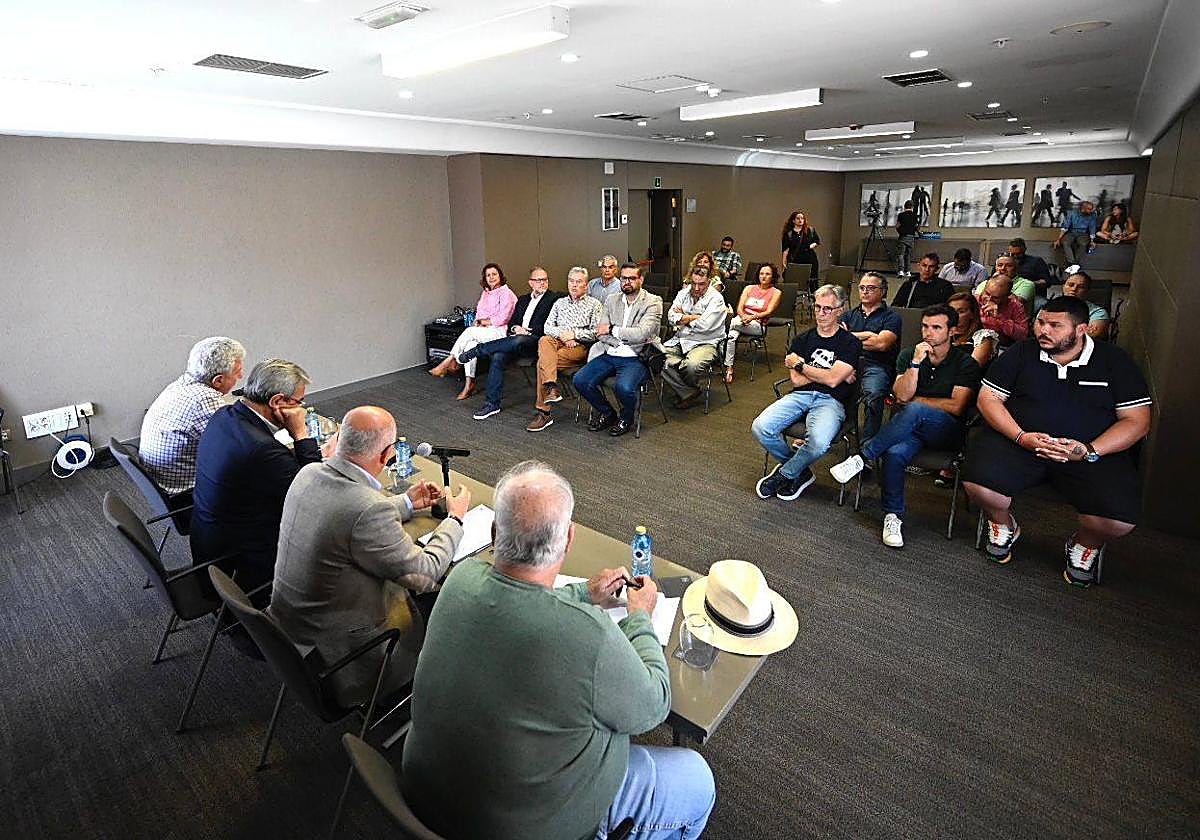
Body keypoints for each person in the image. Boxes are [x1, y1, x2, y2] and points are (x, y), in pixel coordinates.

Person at [402, 461, 714, 840]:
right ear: (568, 539)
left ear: (495, 530)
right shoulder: (588, 634)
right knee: (697, 779)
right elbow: (653, 706)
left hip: (424, 799)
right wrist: (640, 617)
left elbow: (521, 598)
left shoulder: (461, 578)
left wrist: (584, 591)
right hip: (523, 827)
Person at [269, 406, 471, 706]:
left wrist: (405, 503)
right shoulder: (366, 508)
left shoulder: (308, 473)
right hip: (344, 657)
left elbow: (346, 514)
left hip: (290, 636)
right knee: (453, 608)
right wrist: (455, 520)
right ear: (386, 454)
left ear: (340, 438)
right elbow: (425, 575)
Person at [963, 296, 1152, 587]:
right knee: (978, 482)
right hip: (1023, 443)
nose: (1043, 330)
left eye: (1055, 325)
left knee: (1118, 519)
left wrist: (1089, 450)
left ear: (1081, 330)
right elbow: (989, 399)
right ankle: (1003, 524)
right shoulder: (1022, 353)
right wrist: (1021, 436)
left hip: (1087, 452)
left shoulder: (1114, 361)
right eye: (1040, 322)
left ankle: (1085, 543)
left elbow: (1137, 421)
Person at [830, 304, 981, 548]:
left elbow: (956, 406)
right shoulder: (909, 355)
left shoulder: (965, 363)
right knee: (894, 452)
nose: (927, 333)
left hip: (946, 431)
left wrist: (917, 403)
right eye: (924, 326)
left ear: (951, 331)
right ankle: (893, 515)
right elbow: (901, 396)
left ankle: (864, 456)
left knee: (916, 409)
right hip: (911, 429)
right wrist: (915, 364)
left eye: (936, 327)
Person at [190, 358, 333, 593]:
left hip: (210, 543)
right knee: (333, 533)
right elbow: (314, 495)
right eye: (299, 402)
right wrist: (301, 436)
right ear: (278, 401)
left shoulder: (225, 415)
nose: (302, 408)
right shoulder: (261, 450)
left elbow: (269, 470)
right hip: (242, 564)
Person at [753, 284, 861, 501]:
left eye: (827, 309)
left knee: (819, 443)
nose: (821, 313)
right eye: (818, 307)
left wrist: (802, 365)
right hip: (800, 395)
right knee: (761, 427)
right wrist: (832, 373)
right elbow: (797, 380)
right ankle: (799, 469)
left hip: (832, 401)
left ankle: (786, 473)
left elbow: (831, 381)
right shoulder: (802, 339)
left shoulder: (850, 342)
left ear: (840, 310)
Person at [139, 336, 246, 500]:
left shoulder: (181, 384)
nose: (241, 376)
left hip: (160, 480)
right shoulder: (203, 400)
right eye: (238, 373)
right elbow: (241, 445)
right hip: (185, 493)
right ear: (218, 380)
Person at [455, 266, 560, 421]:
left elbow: (551, 324)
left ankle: (477, 351)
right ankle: (492, 404)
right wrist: (515, 327)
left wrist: (528, 330)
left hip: (536, 341)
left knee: (518, 339)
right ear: (531, 282)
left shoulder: (554, 299)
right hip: (515, 340)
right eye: (538, 280)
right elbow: (512, 321)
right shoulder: (523, 299)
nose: (543, 283)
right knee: (498, 356)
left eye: (545, 279)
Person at [573, 263, 664, 437]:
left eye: (632, 278)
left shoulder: (653, 302)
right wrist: (615, 335)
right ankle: (608, 413)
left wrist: (612, 329)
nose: (627, 282)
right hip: (611, 351)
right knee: (580, 380)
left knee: (623, 387)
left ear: (641, 280)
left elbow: (642, 334)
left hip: (636, 357)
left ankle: (626, 417)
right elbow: (601, 332)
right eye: (624, 278)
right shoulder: (611, 300)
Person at [527, 267, 604, 432]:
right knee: (544, 339)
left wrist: (574, 335)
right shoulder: (559, 302)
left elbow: (596, 333)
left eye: (578, 282)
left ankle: (544, 411)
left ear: (586, 285)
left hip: (580, 347)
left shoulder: (594, 305)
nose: (574, 285)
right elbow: (547, 327)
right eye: (571, 281)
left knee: (542, 363)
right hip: (558, 341)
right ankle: (551, 388)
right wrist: (563, 335)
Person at [429, 263, 518, 400]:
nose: (491, 277)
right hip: (483, 331)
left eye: (494, 274)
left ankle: (450, 361)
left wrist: (483, 322)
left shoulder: (507, 294)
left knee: (470, 332)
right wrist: (479, 323)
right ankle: (469, 384)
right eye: (488, 275)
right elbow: (479, 314)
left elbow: (503, 318)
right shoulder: (485, 293)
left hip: (499, 332)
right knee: (470, 345)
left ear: (500, 275)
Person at [842, 272, 901, 444]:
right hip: (848, 364)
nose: (865, 291)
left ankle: (868, 445)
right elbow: (838, 341)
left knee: (873, 395)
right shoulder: (848, 315)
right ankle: (834, 428)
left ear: (882, 291)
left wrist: (849, 337)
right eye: (862, 288)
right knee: (823, 384)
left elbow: (882, 344)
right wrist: (868, 335)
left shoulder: (891, 317)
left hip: (876, 365)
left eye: (871, 288)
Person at [662, 263, 727, 409]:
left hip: (706, 342)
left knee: (692, 366)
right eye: (694, 283)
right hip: (680, 339)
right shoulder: (683, 293)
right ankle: (688, 391)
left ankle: (681, 380)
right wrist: (693, 317)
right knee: (655, 356)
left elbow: (705, 326)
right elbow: (671, 316)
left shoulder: (716, 299)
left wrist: (683, 317)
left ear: (709, 281)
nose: (696, 288)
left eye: (701, 284)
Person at [723, 263, 782, 383]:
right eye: (761, 274)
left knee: (731, 325)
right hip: (741, 320)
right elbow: (739, 307)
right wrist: (744, 316)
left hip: (758, 325)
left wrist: (751, 317)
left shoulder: (776, 292)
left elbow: (769, 311)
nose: (764, 276)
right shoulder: (749, 288)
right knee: (731, 336)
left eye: (767, 274)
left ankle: (720, 331)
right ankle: (729, 368)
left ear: (773, 276)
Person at [1049, 270, 1110, 339]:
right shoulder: (1049, 307)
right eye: (1070, 285)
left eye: (1081, 287)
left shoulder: (1098, 312)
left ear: (1087, 291)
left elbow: (1092, 336)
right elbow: (1040, 331)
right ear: (1063, 287)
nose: (1074, 289)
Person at [947, 291, 1000, 369]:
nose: (954, 315)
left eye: (961, 311)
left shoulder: (983, 337)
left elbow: (970, 369)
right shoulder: (941, 334)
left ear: (972, 314)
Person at [975, 274, 1029, 346]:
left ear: (1007, 296)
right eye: (987, 293)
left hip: (1001, 346)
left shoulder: (1015, 306)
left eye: (996, 297)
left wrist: (1001, 319)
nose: (989, 299)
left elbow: (1023, 335)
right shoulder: (974, 300)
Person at [780, 209, 822, 290]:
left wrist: (809, 247)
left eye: (802, 218)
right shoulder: (789, 234)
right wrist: (783, 262)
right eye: (798, 218)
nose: (800, 220)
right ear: (793, 220)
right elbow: (785, 249)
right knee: (795, 279)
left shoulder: (810, 230)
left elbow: (817, 241)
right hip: (796, 259)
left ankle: (814, 297)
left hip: (810, 258)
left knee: (813, 279)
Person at [1054, 200, 1097, 270]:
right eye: (1089, 209)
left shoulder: (1092, 215)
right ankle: (1072, 263)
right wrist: (1058, 239)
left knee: (1083, 243)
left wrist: (1092, 241)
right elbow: (1065, 226)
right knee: (1065, 242)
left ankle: (1073, 264)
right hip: (1071, 232)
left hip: (1083, 233)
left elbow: (1092, 228)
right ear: (1083, 208)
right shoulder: (1072, 213)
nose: (1091, 211)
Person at [894, 200, 919, 277]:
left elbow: (897, 226)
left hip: (903, 237)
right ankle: (908, 272)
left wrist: (900, 232)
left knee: (901, 254)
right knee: (908, 255)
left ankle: (901, 271)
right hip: (911, 237)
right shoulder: (915, 215)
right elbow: (917, 227)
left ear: (905, 206)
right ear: (912, 207)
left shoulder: (901, 215)